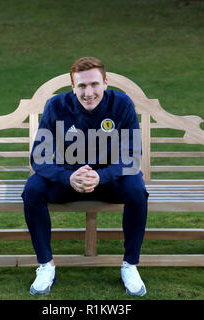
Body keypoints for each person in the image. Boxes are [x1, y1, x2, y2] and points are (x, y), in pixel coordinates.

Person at [21, 57, 149, 296]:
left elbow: (131, 157)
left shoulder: (122, 104)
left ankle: (130, 264)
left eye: (94, 84)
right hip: (69, 180)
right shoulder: (56, 106)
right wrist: (67, 177)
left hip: (110, 181)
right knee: (33, 189)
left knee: (136, 190)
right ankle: (46, 265)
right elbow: (38, 157)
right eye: (81, 86)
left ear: (105, 83)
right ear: (73, 87)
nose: (88, 92)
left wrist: (101, 176)